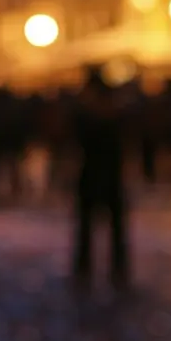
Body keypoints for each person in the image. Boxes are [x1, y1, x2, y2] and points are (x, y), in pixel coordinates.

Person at [72, 68, 128, 287]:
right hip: (107, 177)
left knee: (92, 226)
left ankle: (90, 267)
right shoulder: (113, 113)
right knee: (107, 227)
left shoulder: (87, 114)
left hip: (97, 176)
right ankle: (114, 268)